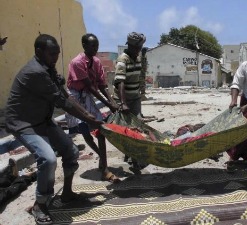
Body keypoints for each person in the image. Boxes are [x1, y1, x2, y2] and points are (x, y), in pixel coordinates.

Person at [5, 34, 103, 225]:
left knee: (72, 151)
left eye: (57, 54)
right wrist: (87, 118)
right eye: (52, 54)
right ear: (38, 52)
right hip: (23, 123)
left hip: (42, 119)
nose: (55, 58)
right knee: (48, 159)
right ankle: (39, 205)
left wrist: (89, 115)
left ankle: (66, 194)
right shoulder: (36, 72)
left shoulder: (48, 68)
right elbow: (62, 102)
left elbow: (67, 95)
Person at [65, 33, 120, 183]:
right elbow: (90, 86)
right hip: (75, 97)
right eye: (92, 46)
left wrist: (112, 101)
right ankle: (102, 158)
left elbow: (102, 85)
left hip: (87, 95)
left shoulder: (96, 62)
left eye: (97, 45)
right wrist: (109, 105)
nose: (95, 48)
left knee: (100, 129)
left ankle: (104, 166)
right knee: (85, 131)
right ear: (84, 46)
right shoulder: (77, 62)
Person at [113, 32, 147, 170]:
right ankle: (134, 160)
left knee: (138, 126)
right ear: (133, 46)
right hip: (124, 99)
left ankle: (132, 155)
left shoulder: (138, 58)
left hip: (136, 98)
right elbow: (120, 82)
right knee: (130, 129)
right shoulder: (123, 59)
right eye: (138, 47)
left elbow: (140, 76)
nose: (139, 49)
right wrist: (123, 103)